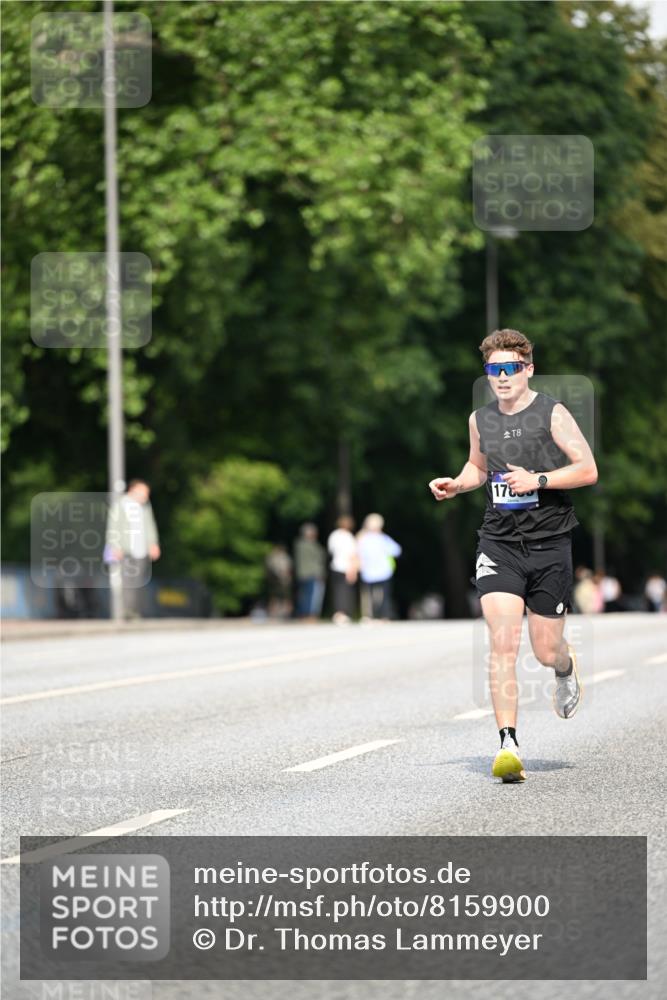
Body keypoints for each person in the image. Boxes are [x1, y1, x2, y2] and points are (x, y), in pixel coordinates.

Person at [429, 329, 597, 783]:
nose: (501, 378)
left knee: (544, 650)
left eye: (509, 369)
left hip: (550, 543)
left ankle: (565, 665)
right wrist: (457, 483)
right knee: (502, 642)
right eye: (493, 370)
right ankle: (508, 742)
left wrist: (539, 480)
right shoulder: (479, 419)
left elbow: (587, 469)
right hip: (499, 543)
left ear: (527, 370)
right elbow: (477, 468)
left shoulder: (552, 413)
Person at [105, 479, 161, 619]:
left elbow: (150, 525)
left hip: (141, 550)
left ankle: (135, 610)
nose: (146, 496)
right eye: (144, 493)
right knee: (128, 581)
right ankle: (127, 611)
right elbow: (113, 526)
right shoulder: (120, 505)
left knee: (140, 581)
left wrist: (153, 543)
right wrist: (115, 546)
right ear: (133, 490)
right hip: (125, 550)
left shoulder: (145, 507)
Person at [356, 513, 402, 621]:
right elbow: (397, 550)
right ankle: (383, 616)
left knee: (368, 596)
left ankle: (369, 616)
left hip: (368, 572)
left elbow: (356, 553)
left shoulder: (362, 538)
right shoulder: (383, 538)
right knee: (384, 595)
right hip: (383, 571)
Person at [327, 515, 358, 624]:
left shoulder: (334, 535)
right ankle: (343, 613)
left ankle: (337, 613)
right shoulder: (349, 537)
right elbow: (353, 555)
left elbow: (331, 550)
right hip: (346, 567)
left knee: (337, 591)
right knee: (345, 592)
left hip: (335, 566)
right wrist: (353, 570)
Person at [293, 523, 326, 620]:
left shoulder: (298, 544)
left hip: (301, 574)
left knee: (303, 595)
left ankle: (302, 614)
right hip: (313, 574)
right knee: (313, 596)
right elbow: (321, 555)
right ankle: (311, 614)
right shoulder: (312, 545)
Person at [265, 544, 293, 619]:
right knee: (276, 598)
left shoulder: (283, 557)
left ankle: (285, 614)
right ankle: (274, 614)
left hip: (283, 581)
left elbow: (288, 570)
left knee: (284, 598)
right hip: (277, 581)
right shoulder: (273, 557)